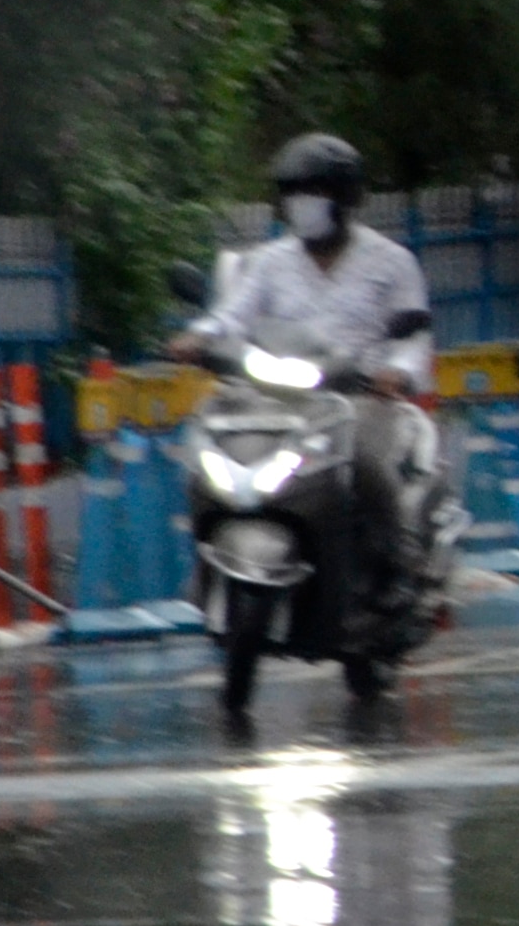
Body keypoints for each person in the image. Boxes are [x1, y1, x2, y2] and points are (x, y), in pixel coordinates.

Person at [180, 132, 445, 599]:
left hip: (361, 395)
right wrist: (199, 337)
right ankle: (206, 561)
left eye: (314, 194)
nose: (302, 205)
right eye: (294, 195)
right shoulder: (269, 262)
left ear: (345, 199)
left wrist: (397, 372)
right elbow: (232, 315)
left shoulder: (392, 262)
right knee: (208, 446)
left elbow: (414, 336)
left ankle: (398, 560)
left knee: (365, 456)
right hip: (278, 395)